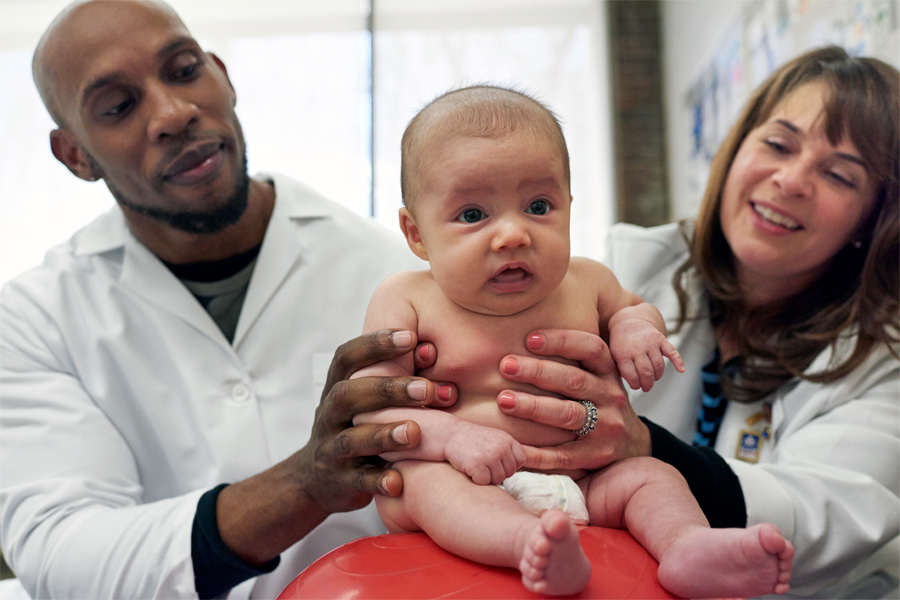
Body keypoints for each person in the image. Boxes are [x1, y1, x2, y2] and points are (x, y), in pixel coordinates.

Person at [350, 85, 794, 597]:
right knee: (427, 485)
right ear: (416, 234)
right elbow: (373, 410)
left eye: (539, 205)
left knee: (651, 476)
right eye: (473, 215)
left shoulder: (586, 281)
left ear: (569, 205)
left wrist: (634, 329)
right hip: (466, 479)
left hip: (586, 482)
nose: (514, 234)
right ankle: (527, 543)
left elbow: (633, 308)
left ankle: (686, 546)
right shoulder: (406, 298)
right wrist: (452, 438)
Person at [493, 46, 899, 598]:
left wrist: (643, 447)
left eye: (839, 175)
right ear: (735, 151)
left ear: (871, 220)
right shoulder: (635, 266)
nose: (791, 180)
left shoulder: (880, 359)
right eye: (777, 145)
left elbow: (822, 516)